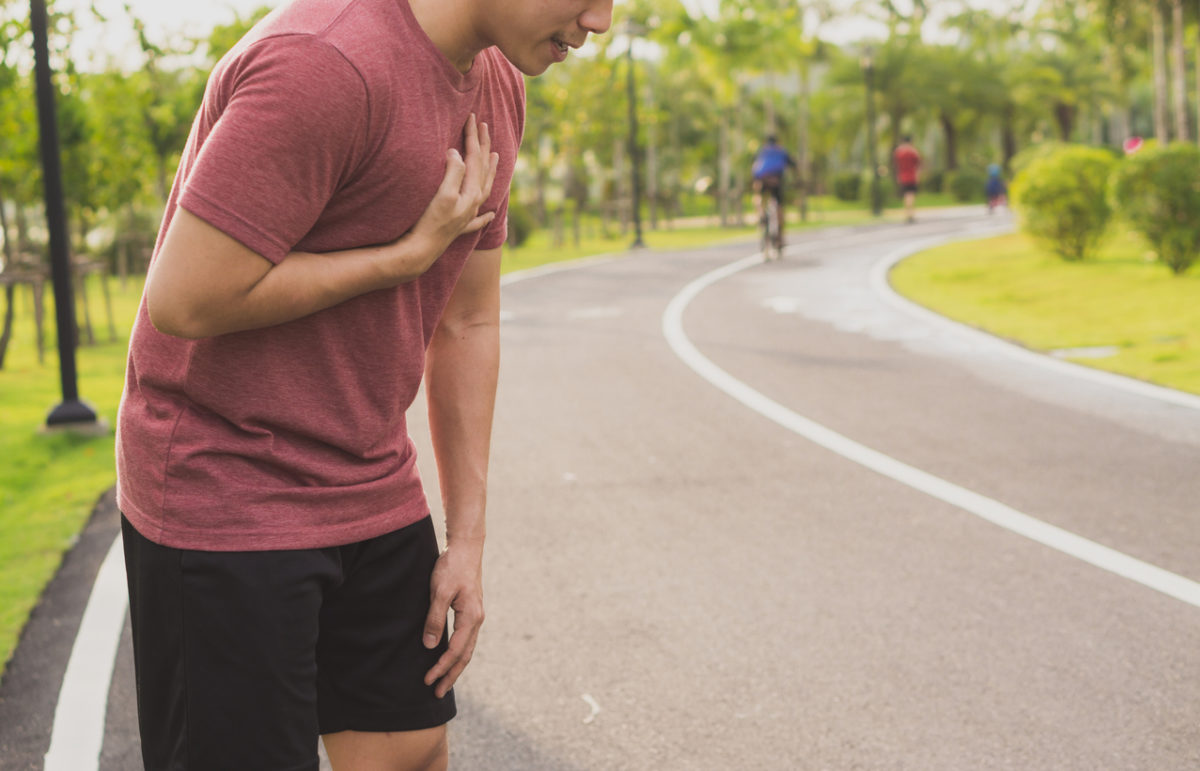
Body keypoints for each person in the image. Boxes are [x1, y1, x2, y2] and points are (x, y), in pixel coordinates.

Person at [115, 0, 612, 768]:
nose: (602, 19)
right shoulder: (324, 64)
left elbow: (467, 321)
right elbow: (184, 299)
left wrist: (468, 540)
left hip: (371, 477)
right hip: (225, 483)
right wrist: (400, 259)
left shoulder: (497, 85)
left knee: (411, 750)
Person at [751, 134, 797, 246]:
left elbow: (754, 166)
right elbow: (794, 165)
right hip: (776, 180)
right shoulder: (781, 151)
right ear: (777, 142)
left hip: (761, 179)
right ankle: (780, 237)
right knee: (779, 205)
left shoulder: (761, 151)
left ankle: (761, 214)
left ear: (766, 142)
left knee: (758, 194)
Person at [893, 135, 921, 223]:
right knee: (911, 195)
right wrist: (918, 175)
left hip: (902, 176)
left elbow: (897, 165)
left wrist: (898, 176)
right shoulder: (913, 152)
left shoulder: (898, 152)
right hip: (912, 176)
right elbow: (918, 164)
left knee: (906, 195)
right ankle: (910, 214)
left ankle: (907, 213)